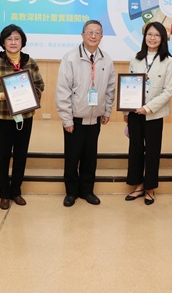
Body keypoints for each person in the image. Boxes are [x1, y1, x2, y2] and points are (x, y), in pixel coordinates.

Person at [0, 24, 44, 210]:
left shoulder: (30, 62)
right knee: (2, 156)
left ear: (22, 42)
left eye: (17, 39)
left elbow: (40, 84)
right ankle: (4, 194)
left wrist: (31, 96)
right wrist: (2, 96)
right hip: (2, 117)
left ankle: (16, 191)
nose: (13, 42)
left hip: (25, 116)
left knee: (20, 155)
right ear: (3, 42)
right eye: (9, 39)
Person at [55, 20, 115, 207]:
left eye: (97, 33)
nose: (93, 36)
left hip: (95, 117)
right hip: (75, 119)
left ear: (102, 37)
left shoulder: (106, 59)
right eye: (90, 32)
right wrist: (67, 119)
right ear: (82, 35)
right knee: (72, 157)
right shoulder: (70, 58)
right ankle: (71, 192)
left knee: (90, 157)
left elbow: (110, 88)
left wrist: (107, 110)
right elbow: (62, 91)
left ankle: (87, 191)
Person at [124, 21, 172, 205]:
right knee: (135, 149)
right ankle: (138, 185)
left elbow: (168, 90)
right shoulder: (136, 58)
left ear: (163, 39)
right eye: (149, 34)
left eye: (157, 35)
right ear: (145, 37)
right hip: (134, 113)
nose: (152, 38)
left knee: (152, 151)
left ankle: (150, 188)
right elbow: (128, 84)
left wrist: (148, 107)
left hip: (154, 114)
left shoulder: (168, 61)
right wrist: (127, 109)